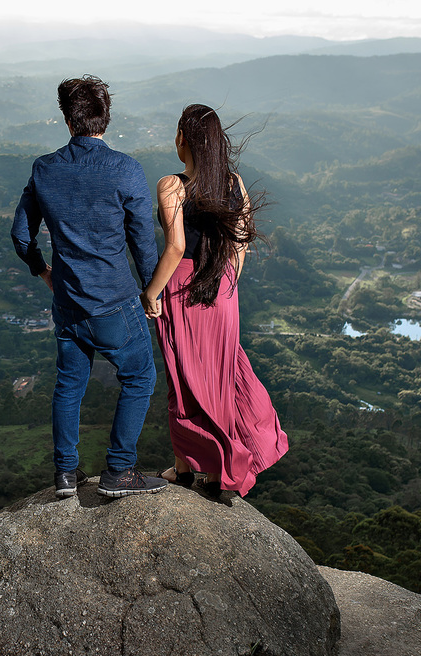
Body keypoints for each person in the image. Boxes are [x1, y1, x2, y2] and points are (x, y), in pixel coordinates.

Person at [11, 76, 168, 499]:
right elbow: (143, 244)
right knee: (139, 377)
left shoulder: (45, 169)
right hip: (114, 301)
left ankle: (66, 474)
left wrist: (42, 271)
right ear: (106, 118)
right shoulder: (126, 170)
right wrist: (152, 292)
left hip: (67, 302)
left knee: (69, 385)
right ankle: (119, 470)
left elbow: (21, 236)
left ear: (67, 120)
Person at [140, 104, 288, 498]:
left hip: (182, 284)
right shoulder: (234, 182)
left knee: (182, 374)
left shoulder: (171, 185)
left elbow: (175, 247)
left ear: (184, 140)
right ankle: (216, 471)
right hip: (222, 286)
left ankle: (184, 467)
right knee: (221, 377)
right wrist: (228, 285)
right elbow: (240, 246)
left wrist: (150, 292)